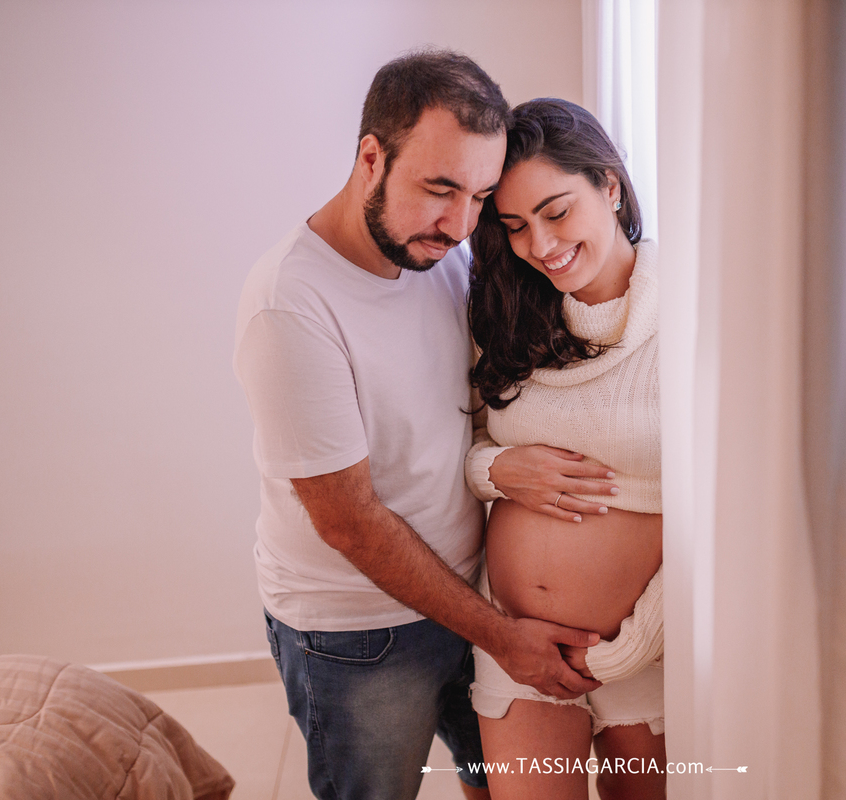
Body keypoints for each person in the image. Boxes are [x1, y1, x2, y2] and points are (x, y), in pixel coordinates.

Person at [232, 52, 603, 800]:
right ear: (371, 156)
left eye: (479, 195)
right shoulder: (291, 306)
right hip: (358, 635)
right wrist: (505, 639)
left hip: (471, 596)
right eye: (439, 189)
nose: (462, 225)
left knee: (495, 786)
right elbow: (352, 523)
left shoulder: (440, 257)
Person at [464, 98, 666, 800]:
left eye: (556, 211)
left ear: (609, 185)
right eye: (515, 226)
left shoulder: (691, 311)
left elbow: (734, 504)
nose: (539, 246)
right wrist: (494, 469)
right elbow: (469, 445)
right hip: (516, 641)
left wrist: (633, 644)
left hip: (645, 647)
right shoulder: (506, 312)